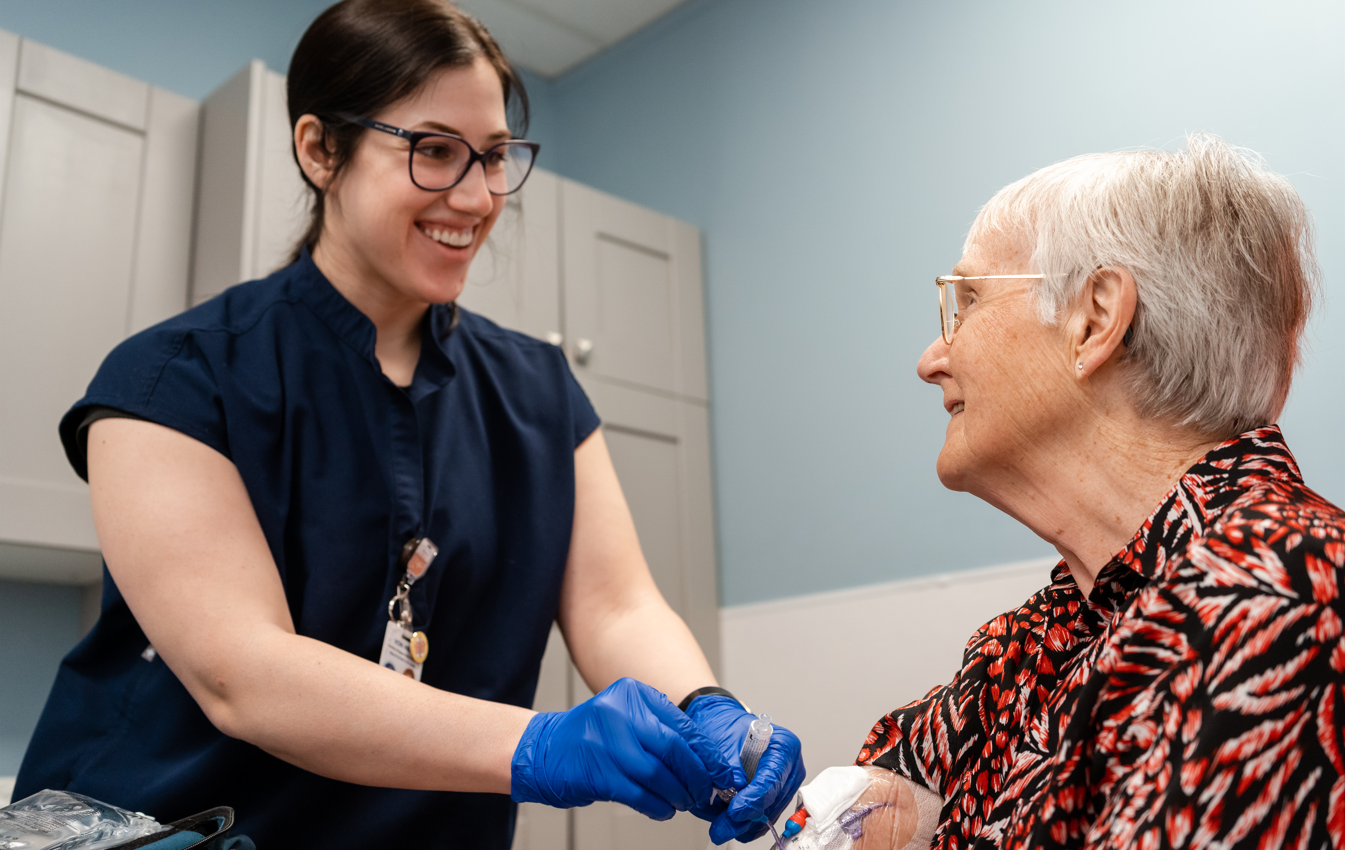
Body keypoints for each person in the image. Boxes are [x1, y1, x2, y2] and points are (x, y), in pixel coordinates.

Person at [13, 1, 803, 846]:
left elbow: (616, 605)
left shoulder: (539, 391)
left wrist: (705, 706)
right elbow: (242, 673)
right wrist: (538, 744)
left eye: (493, 155)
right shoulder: (174, 376)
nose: (475, 196)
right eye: (433, 150)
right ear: (320, 149)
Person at [782, 136, 1344, 850]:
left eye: (967, 302)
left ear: (1094, 319)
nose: (931, 360)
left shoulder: (1283, 597)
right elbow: (881, 797)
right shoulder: (1048, 630)